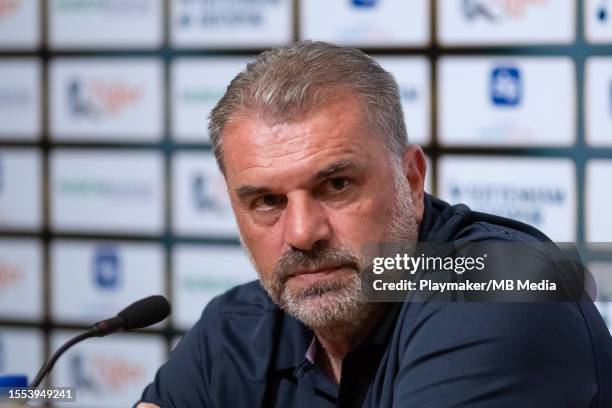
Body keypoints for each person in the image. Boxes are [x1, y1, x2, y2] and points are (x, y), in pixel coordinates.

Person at [136, 41, 612, 407]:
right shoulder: (237, 328)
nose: (302, 233)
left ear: (411, 179)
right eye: (267, 200)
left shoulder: (508, 289)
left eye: (337, 185)